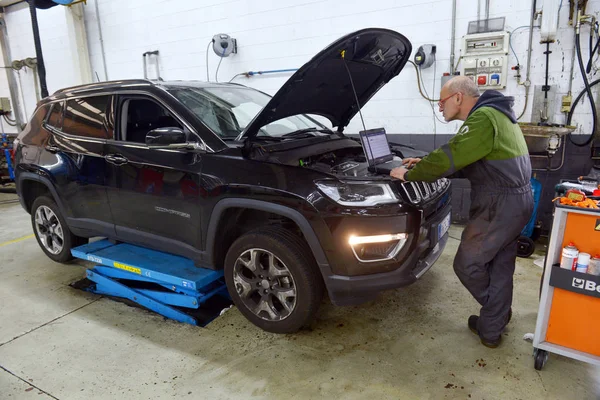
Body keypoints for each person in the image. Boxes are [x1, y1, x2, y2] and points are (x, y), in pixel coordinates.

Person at [390, 76, 534, 348]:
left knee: (467, 263)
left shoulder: (483, 118)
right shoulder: (497, 114)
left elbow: (453, 154)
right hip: (517, 202)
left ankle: (496, 314)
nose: (440, 108)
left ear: (458, 97)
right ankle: (492, 328)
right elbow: (471, 159)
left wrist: (409, 174)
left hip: (500, 206)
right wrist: (424, 162)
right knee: (500, 264)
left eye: (442, 102)